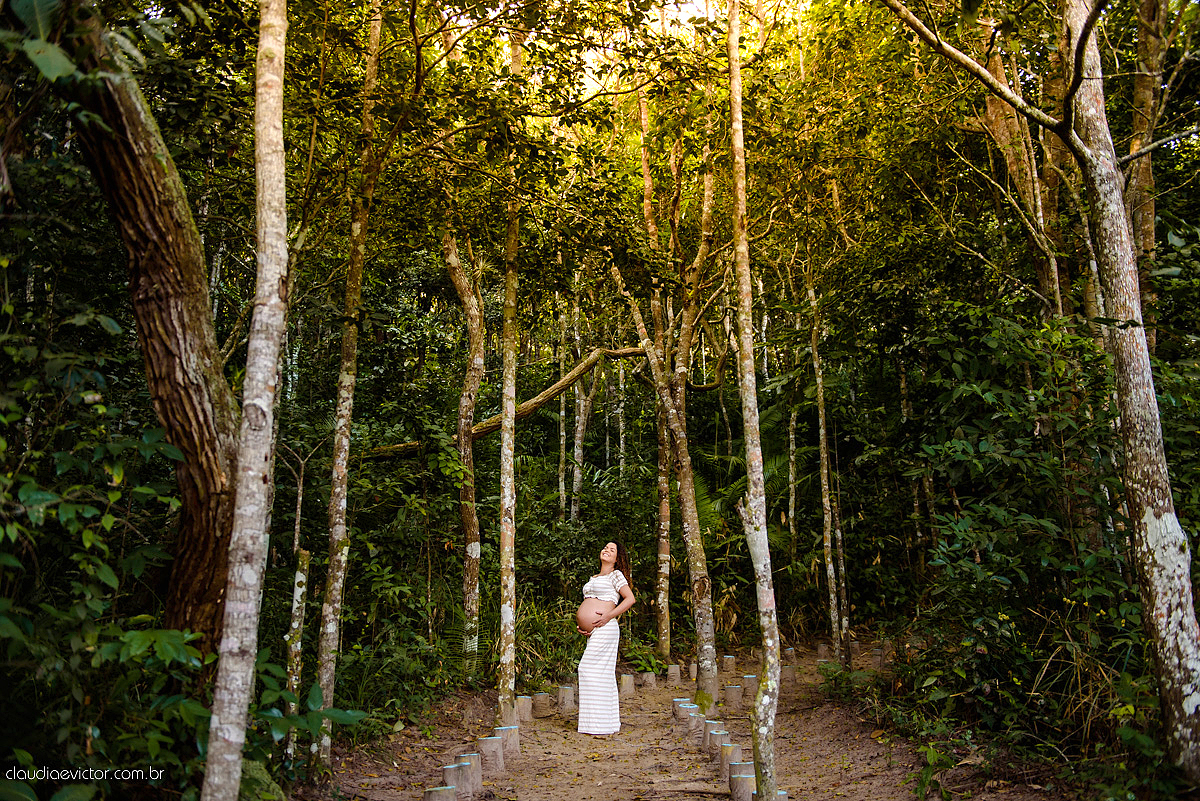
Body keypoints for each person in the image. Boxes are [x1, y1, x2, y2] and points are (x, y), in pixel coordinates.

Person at [576, 541, 636, 735]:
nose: (606, 551)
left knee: (587, 669)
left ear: (617, 558)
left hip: (607, 627)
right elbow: (588, 604)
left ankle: (600, 723)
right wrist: (583, 625)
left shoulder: (616, 575)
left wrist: (610, 615)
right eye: (605, 548)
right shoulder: (593, 577)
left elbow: (630, 599)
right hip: (594, 631)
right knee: (599, 674)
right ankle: (599, 724)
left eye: (612, 550)